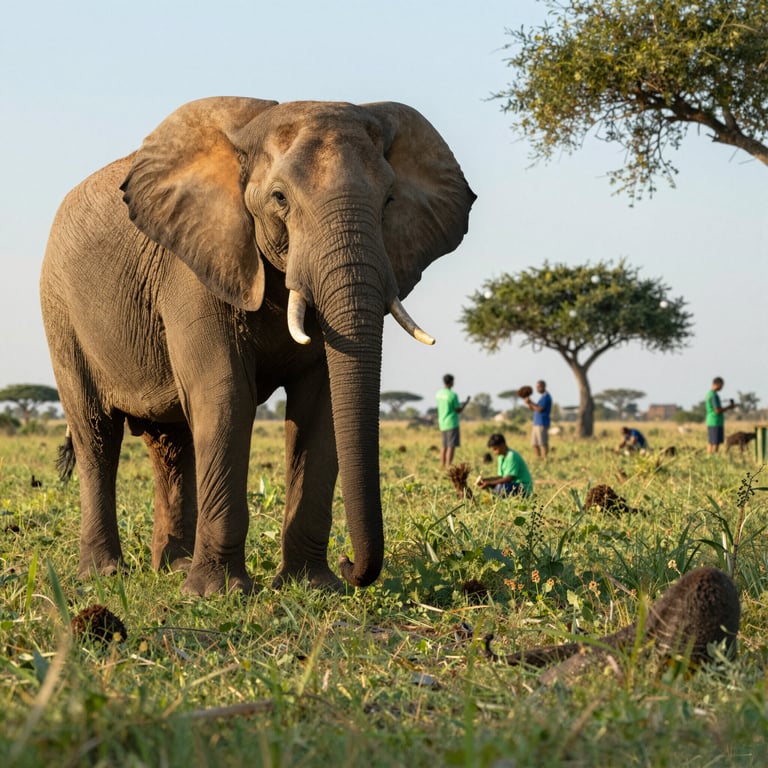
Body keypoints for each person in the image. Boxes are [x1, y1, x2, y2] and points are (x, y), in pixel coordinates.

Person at [435, 374, 470, 467]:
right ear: (451, 382)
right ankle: (448, 465)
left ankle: (442, 465)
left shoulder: (439, 394)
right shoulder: (452, 395)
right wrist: (465, 404)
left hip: (442, 422)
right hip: (451, 422)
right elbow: (458, 410)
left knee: (444, 445)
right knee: (451, 445)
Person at [706, 377, 736, 455]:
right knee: (715, 442)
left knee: (711, 442)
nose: (722, 387)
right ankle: (713, 459)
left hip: (711, 421)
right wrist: (729, 407)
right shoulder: (714, 395)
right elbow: (717, 410)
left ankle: (709, 458)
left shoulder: (709, 394)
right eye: (722, 385)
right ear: (718, 384)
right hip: (715, 421)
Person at [524, 380, 552, 459]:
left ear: (543, 386)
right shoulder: (542, 397)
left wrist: (531, 402)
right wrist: (529, 403)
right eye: (537, 387)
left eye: (539, 387)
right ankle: (539, 458)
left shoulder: (546, 397)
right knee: (534, 443)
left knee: (543, 442)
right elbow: (535, 408)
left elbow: (540, 409)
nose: (537, 389)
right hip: (536, 423)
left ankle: (545, 458)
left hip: (542, 423)